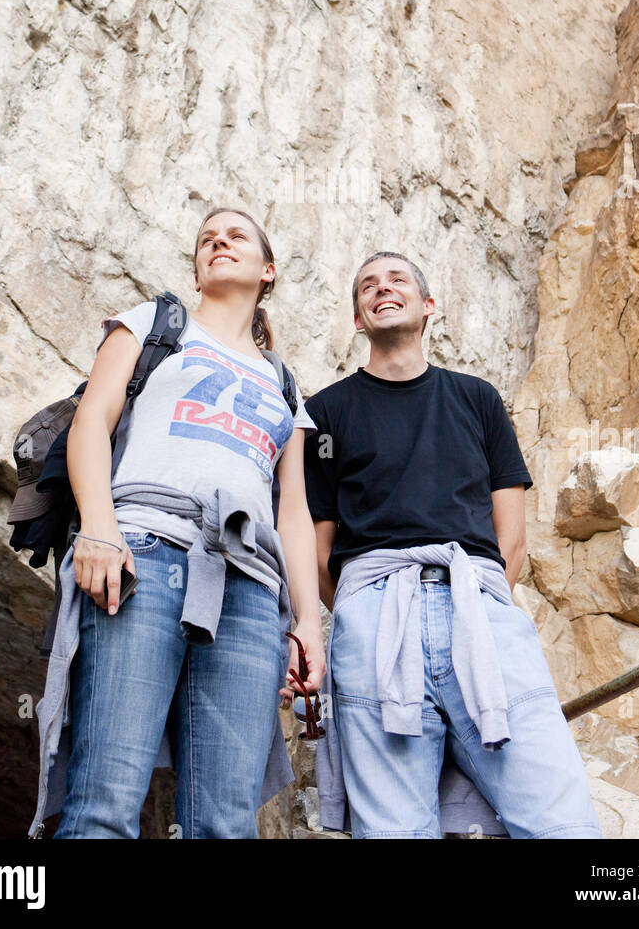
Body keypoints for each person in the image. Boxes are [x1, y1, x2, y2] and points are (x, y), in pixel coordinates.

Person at [39, 206, 325, 839]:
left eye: (236, 237)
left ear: (267, 270)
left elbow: (293, 509)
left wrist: (307, 620)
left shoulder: (283, 382)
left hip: (250, 588)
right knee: (104, 804)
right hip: (142, 553)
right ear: (197, 267)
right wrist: (98, 528)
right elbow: (91, 423)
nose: (219, 242)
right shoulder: (153, 323)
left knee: (226, 823)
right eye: (207, 240)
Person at [302, 251, 602, 840]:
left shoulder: (478, 399)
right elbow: (318, 549)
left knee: (560, 820)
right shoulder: (325, 413)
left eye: (397, 280)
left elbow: (509, 537)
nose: (382, 289)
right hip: (376, 618)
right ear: (358, 319)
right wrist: (365, 609)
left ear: (428, 305)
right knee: (393, 830)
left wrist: (477, 602)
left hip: (480, 611)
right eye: (367, 285)